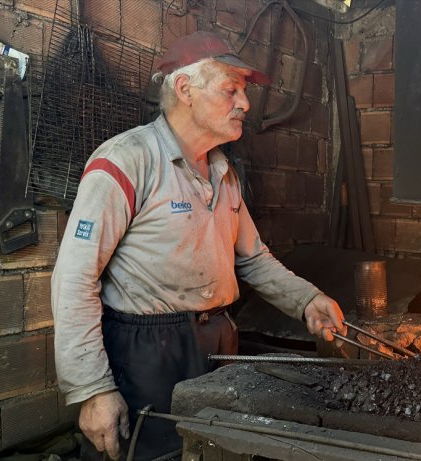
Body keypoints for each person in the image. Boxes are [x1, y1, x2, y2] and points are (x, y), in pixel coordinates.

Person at [51, 31, 347, 461]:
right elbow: (74, 278)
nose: (245, 102)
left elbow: (254, 259)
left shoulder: (223, 173)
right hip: (147, 353)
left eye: (243, 91)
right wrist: (92, 389)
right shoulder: (126, 161)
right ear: (185, 90)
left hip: (218, 341)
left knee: (217, 452)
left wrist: (308, 301)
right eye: (231, 88)